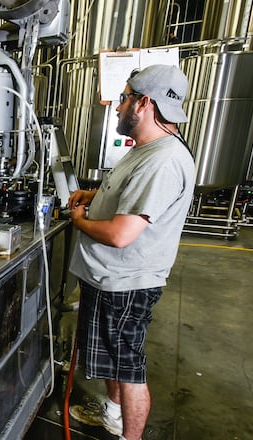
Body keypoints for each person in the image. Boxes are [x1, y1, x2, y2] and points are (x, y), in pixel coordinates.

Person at [67, 64, 196, 440]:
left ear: (144, 103)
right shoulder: (146, 148)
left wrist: (80, 221)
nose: (119, 106)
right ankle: (112, 415)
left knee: (128, 369)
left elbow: (122, 234)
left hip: (126, 284)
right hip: (108, 279)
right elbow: (129, 196)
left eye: (124, 98)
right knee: (112, 361)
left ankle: (130, 436)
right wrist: (95, 197)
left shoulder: (163, 161)